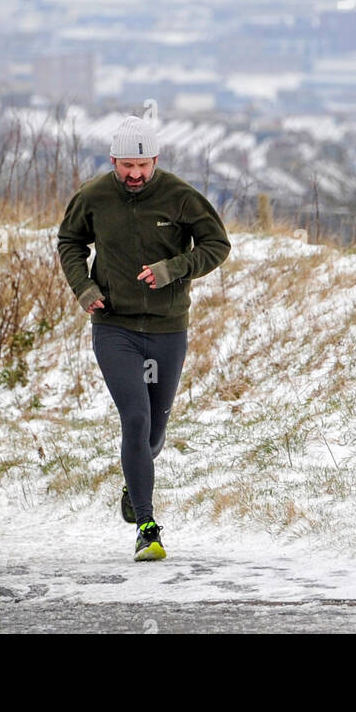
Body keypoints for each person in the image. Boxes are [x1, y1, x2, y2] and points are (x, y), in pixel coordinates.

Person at [56, 116, 232, 561]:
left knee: (154, 435)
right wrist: (84, 288)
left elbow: (217, 245)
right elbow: (69, 241)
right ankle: (147, 528)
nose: (134, 174)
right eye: (126, 166)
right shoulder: (94, 196)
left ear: (156, 161)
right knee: (134, 420)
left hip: (167, 329)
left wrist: (173, 268)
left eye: (143, 165)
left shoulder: (179, 196)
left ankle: (134, 484)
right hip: (115, 328)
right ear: (113, 161)